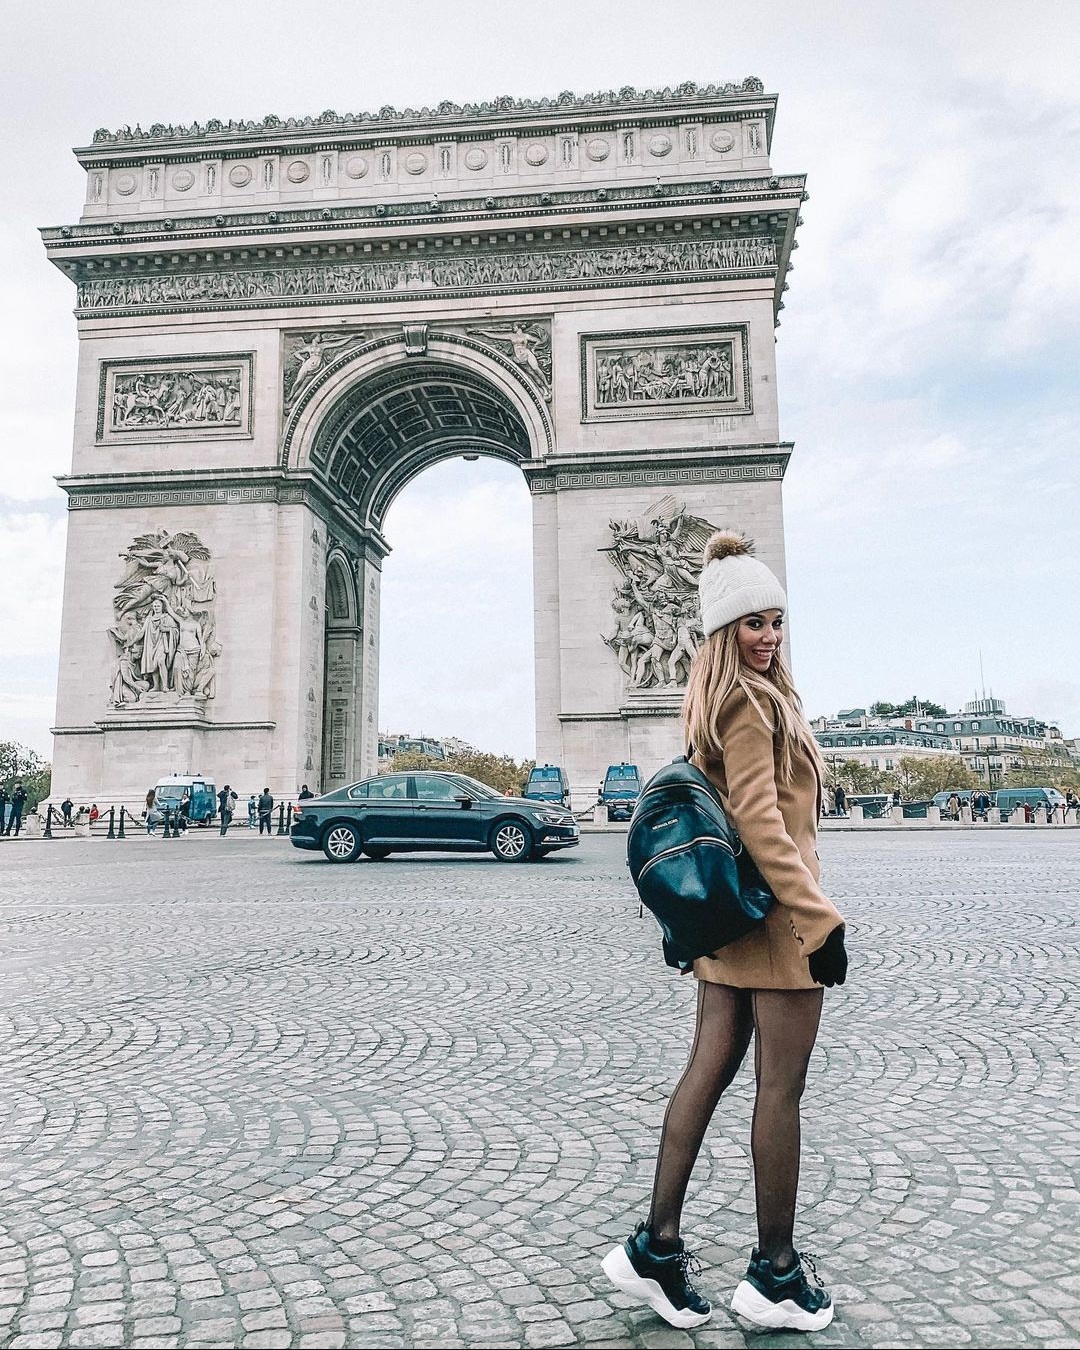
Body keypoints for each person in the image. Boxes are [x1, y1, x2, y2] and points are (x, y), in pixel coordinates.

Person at [602, 530, 846, 1333]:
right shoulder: (749, 702)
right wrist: (819, 919)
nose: (769, 636)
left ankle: (655, 1248)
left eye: (776, 621)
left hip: (732, 923)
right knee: (780, 1091)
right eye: (752, 623)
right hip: (776, 920)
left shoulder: (723, 698)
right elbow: (763, 822)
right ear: (722, 631)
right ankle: (775, 1274)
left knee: (705, 1075)